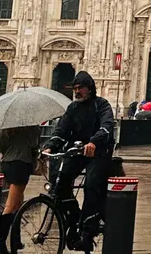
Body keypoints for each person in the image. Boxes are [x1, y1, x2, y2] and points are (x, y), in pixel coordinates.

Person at [44, 71, 115, 252]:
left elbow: (107, 127)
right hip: (78, 151)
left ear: (89, 88)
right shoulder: (73, 108)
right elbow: (61, 130)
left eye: (80, 88)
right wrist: (50, 146)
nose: (77, 92)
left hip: (98, 151)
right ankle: (74, 215)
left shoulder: (102, 105)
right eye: (75, 88)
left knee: (91, 184)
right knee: (59, 180)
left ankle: (88, 229)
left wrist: (94, 141)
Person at [0, 125, 41, 253]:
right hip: (21, 163)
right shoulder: (32, 126)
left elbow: (1, 146)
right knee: (11, 204)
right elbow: (34, 145)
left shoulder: (7, 126)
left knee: (18, 201)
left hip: (7, 163)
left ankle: (16, 239)